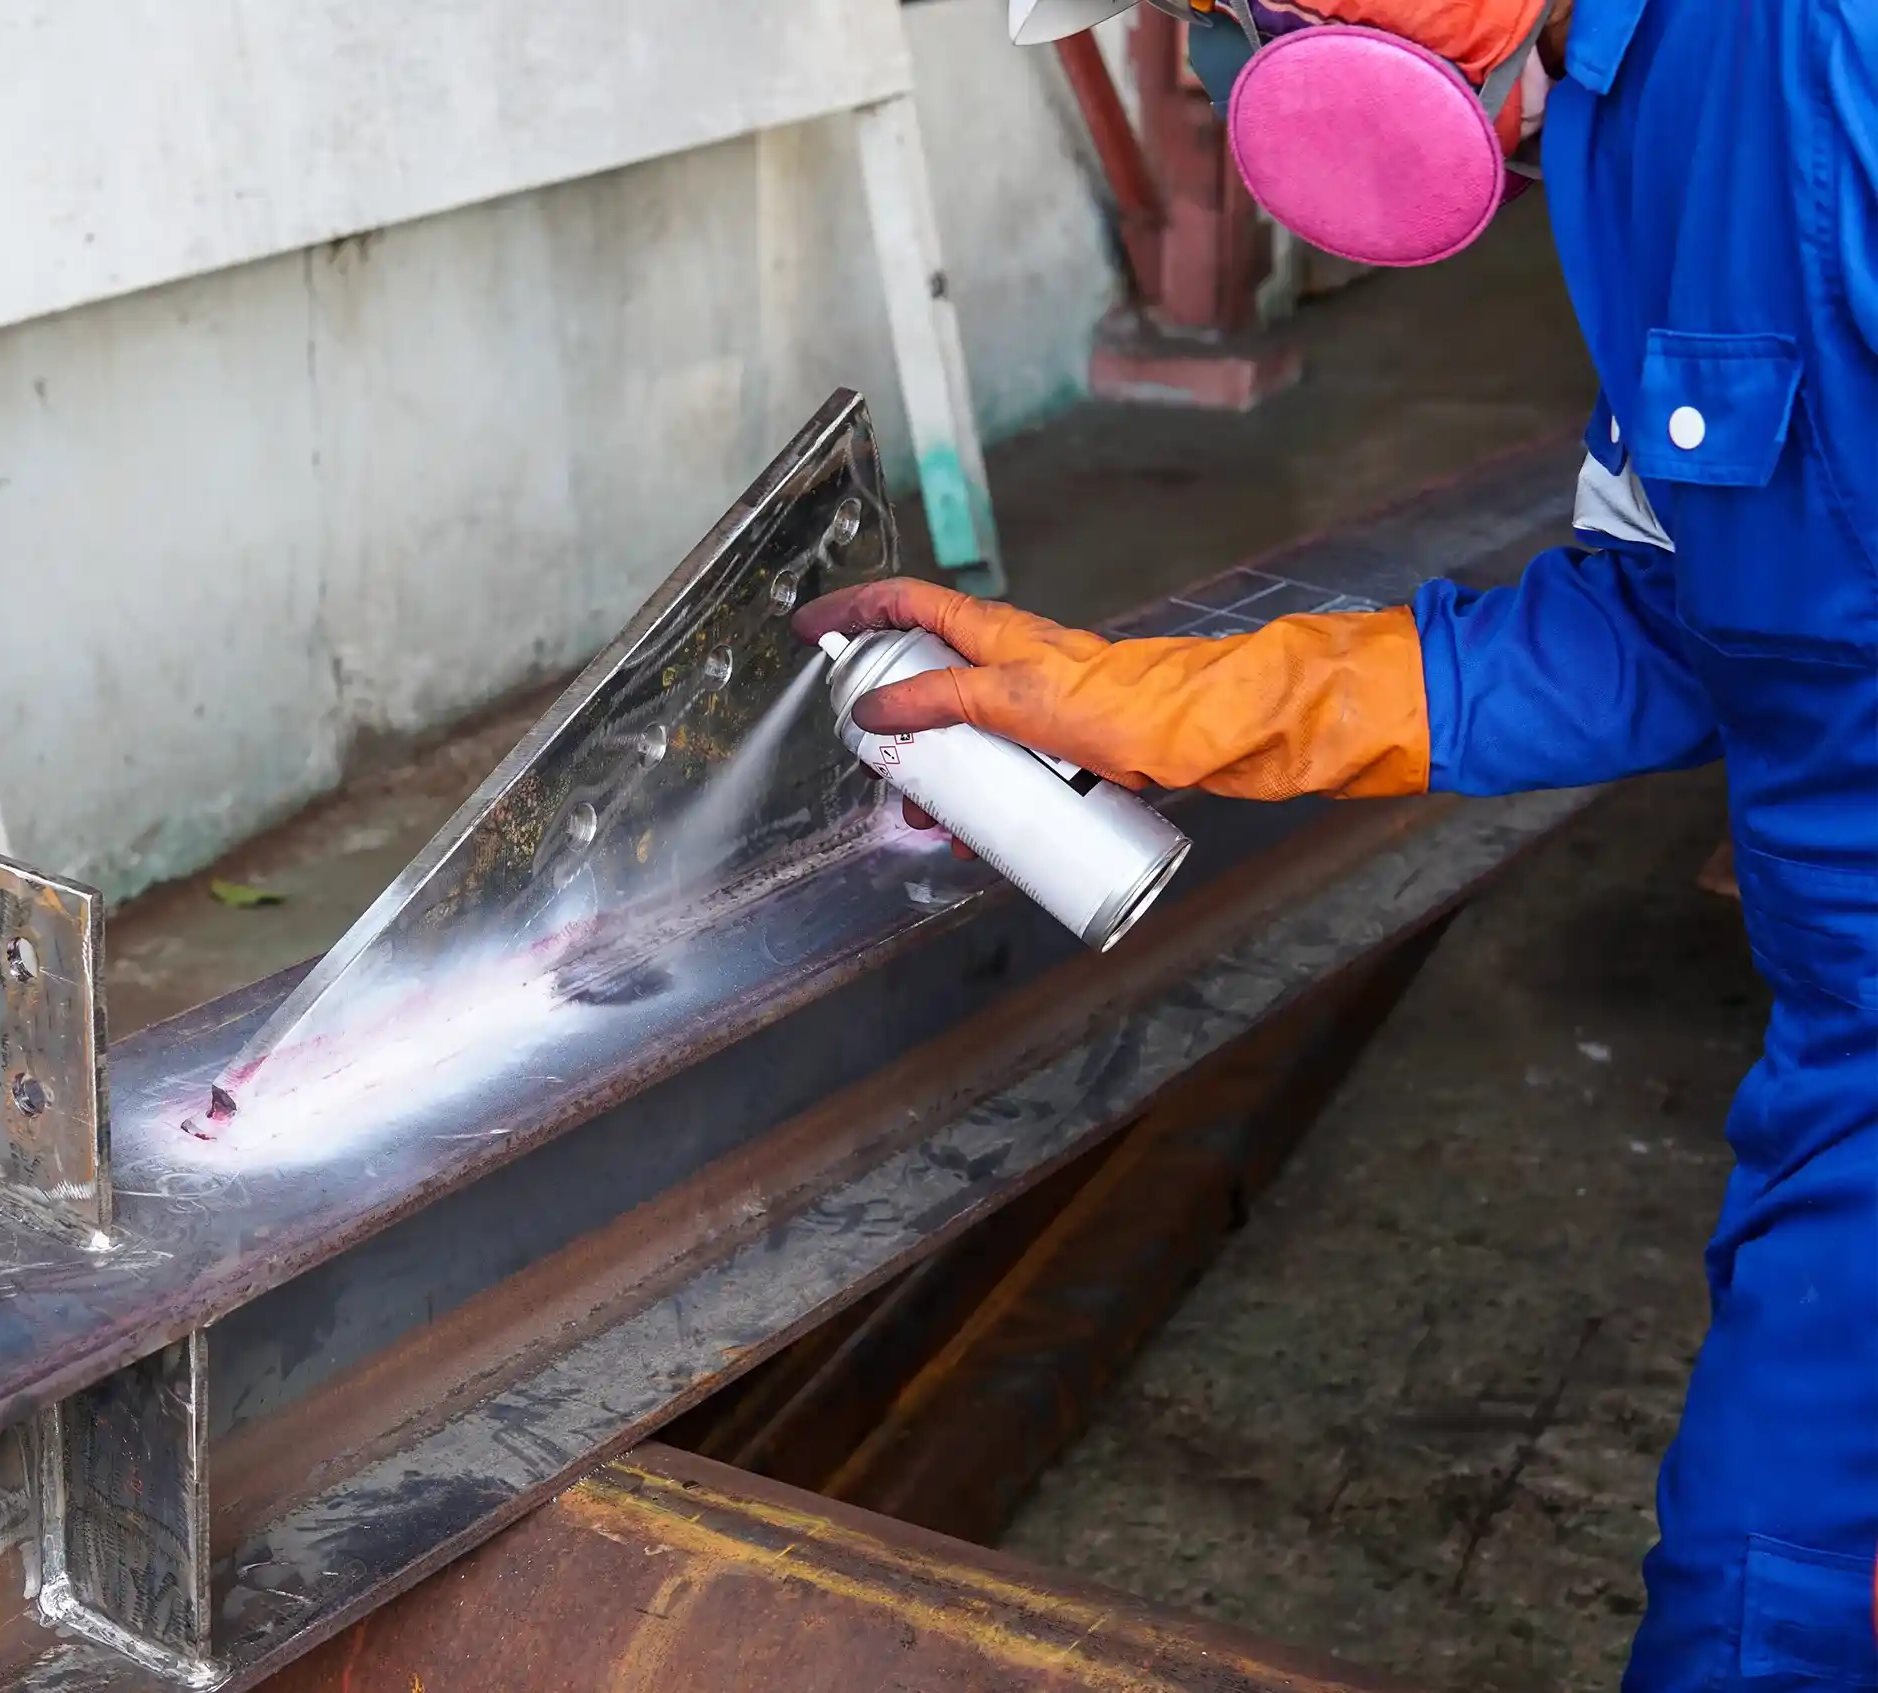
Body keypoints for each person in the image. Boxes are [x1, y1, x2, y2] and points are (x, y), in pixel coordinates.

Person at [794, 1, 1878, 1684]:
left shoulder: (1824, 59)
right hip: (1846, 1044)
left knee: (1778, 1609)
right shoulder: (1626, 128)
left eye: (1233, 6)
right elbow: (1672, 620)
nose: (1237, 55)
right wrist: (1166, 707)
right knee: (1757, 1597)